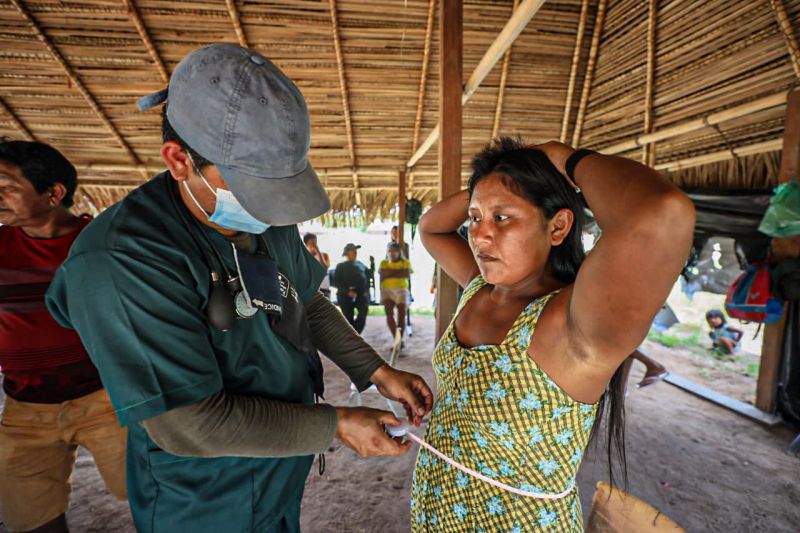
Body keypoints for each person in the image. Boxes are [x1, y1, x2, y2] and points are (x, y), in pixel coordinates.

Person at [45, 44, 432, 533]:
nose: (270, 210)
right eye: (253, 187)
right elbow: (189, 424)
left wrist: (373, 369)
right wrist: (335, 423)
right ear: (178, 160)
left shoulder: (265, 218)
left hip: (277, 461)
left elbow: (305, 300)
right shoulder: (122, 262)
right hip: (204, 490)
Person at [412, 137, 694, 531]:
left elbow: (662, 212)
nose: (478, 236)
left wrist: (562, 160)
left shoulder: (573, 321)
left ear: (558, 225)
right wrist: (497, 179)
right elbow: (432, 228)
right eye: (474, 219)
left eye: (502, 218)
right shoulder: (480, 287)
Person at [0, 141, 127, 533]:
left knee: (159, 492)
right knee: (29, 518)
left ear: (53, 194)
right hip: (25, 407)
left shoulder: (104, 247)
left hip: (107, 400)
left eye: (5, 184)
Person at [334, 243, 370, 334]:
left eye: (355, 251)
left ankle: (355, 334)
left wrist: (365, 292)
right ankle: (352, 335)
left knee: (363, 312)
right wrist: (347, 291)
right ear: (346, 253)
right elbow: (336, 282)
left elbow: (366, 280)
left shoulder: (361, 265)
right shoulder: (340, 266)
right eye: (352, 251)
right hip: (344, 295)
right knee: (348, 317)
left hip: (360, 295)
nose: (354, 253)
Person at [380, 243, 412, 340]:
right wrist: (398, 272)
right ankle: (396, 339)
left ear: (399, 252)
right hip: (386, 291)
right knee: (389, 315)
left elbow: (406, 274)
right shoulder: (383, 263)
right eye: (389, 251)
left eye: (394, 251)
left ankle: (400, 339)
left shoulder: (405, 262)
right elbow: (382, 275)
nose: (391, 253)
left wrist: (389, 273)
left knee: (401, 316)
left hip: (402, 291)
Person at [304, 233, 331, 299]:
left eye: (315, 242)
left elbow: (324, 268)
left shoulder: (324, 255)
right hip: (311, 290)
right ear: (306, 244)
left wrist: (318, 252)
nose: (314, 245)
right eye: (312, 243)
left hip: (324, 289)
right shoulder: (304, 257)